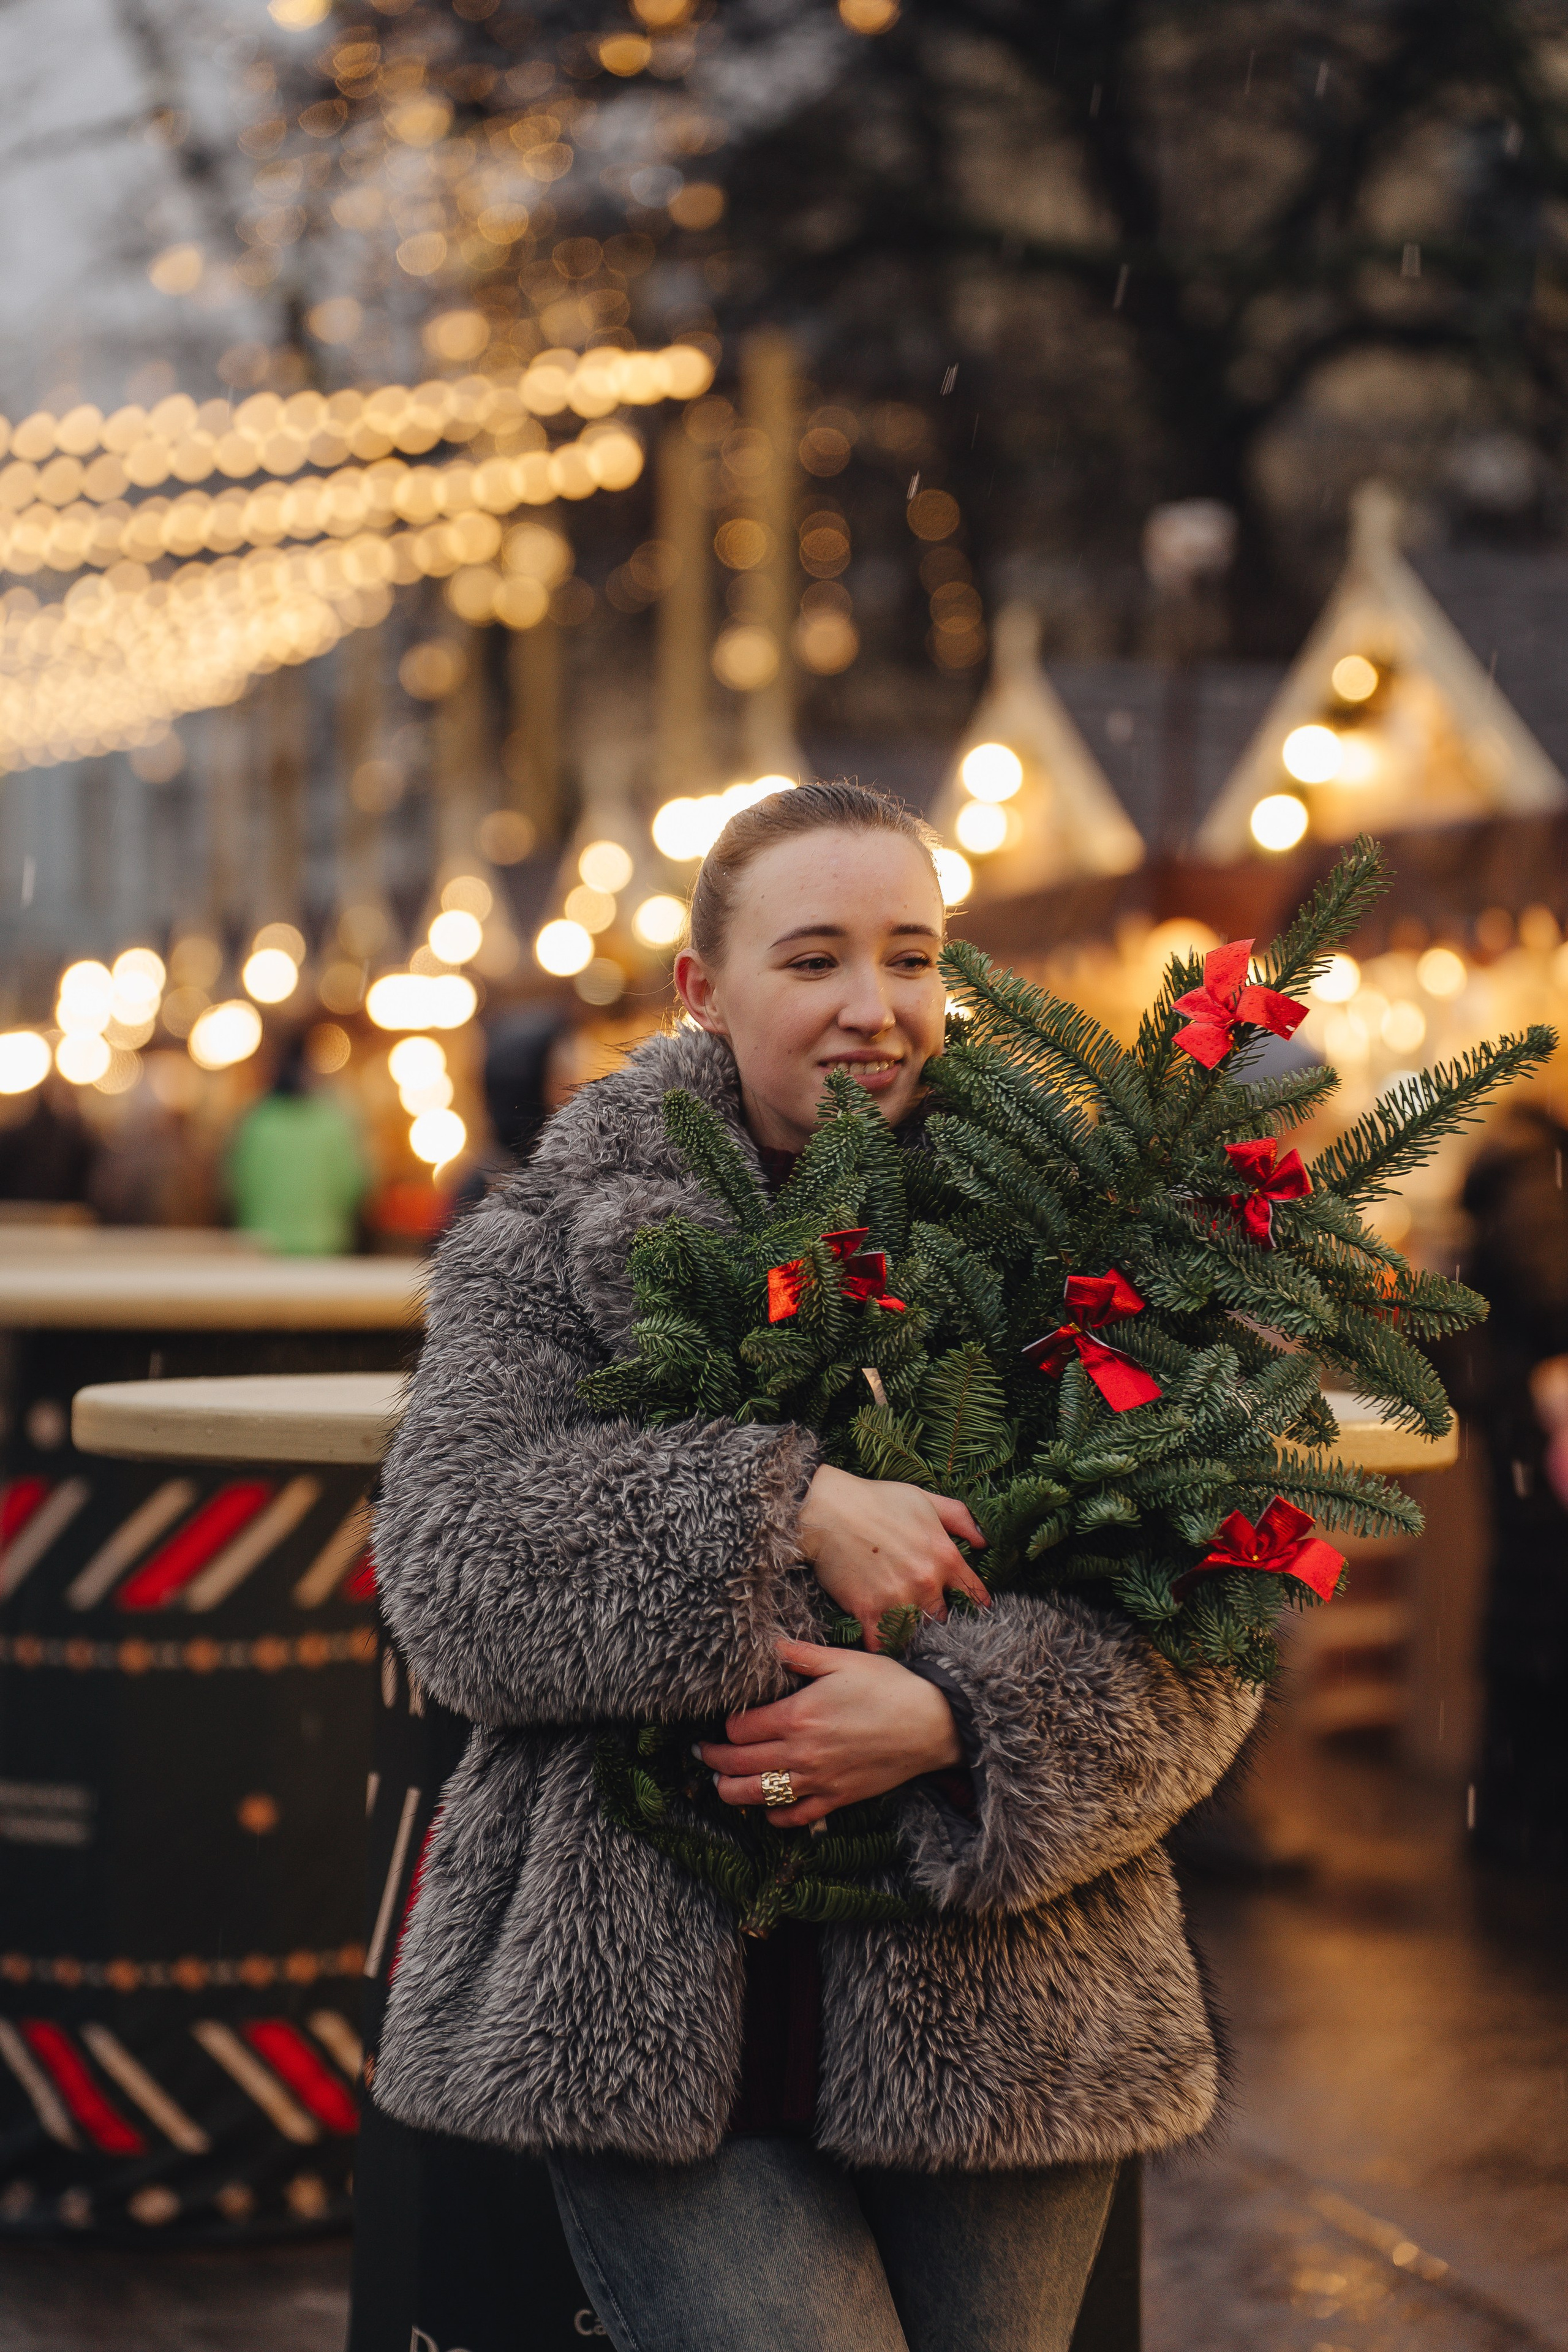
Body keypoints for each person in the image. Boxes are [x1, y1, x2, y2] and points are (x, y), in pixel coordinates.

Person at [371, 782, 1258, 2352]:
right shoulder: (547, 1239)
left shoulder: (1071, 1238)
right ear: (701, 991)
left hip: (1008, 2005)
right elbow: (450, 1568)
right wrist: (772, 1502)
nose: (875, 1009)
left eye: (911, 957)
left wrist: (961, 1724)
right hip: (638, 2001)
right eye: (813, 959)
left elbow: (1203, 1615)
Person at [225, 1030, 368, 1255]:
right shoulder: (334, 1123)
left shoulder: (258, 1121)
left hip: (262, 1246)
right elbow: (356, 1183)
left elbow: (235, 1183)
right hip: (324, 1246)